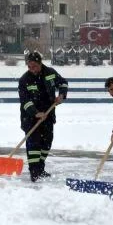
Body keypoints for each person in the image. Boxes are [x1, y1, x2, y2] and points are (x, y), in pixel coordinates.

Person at [18, 51, 68, 182]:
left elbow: (63, 83)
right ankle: (34, 172)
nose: (32, 69)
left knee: (46, 143)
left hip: (48, 114)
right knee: (34, 144)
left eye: (34, 66)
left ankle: (40, 168)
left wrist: (62, 95)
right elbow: (25, 101)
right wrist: (35, 113)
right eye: (29, 66)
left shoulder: (50, 72)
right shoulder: (24, 80)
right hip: (30, 117)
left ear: (40, 63)